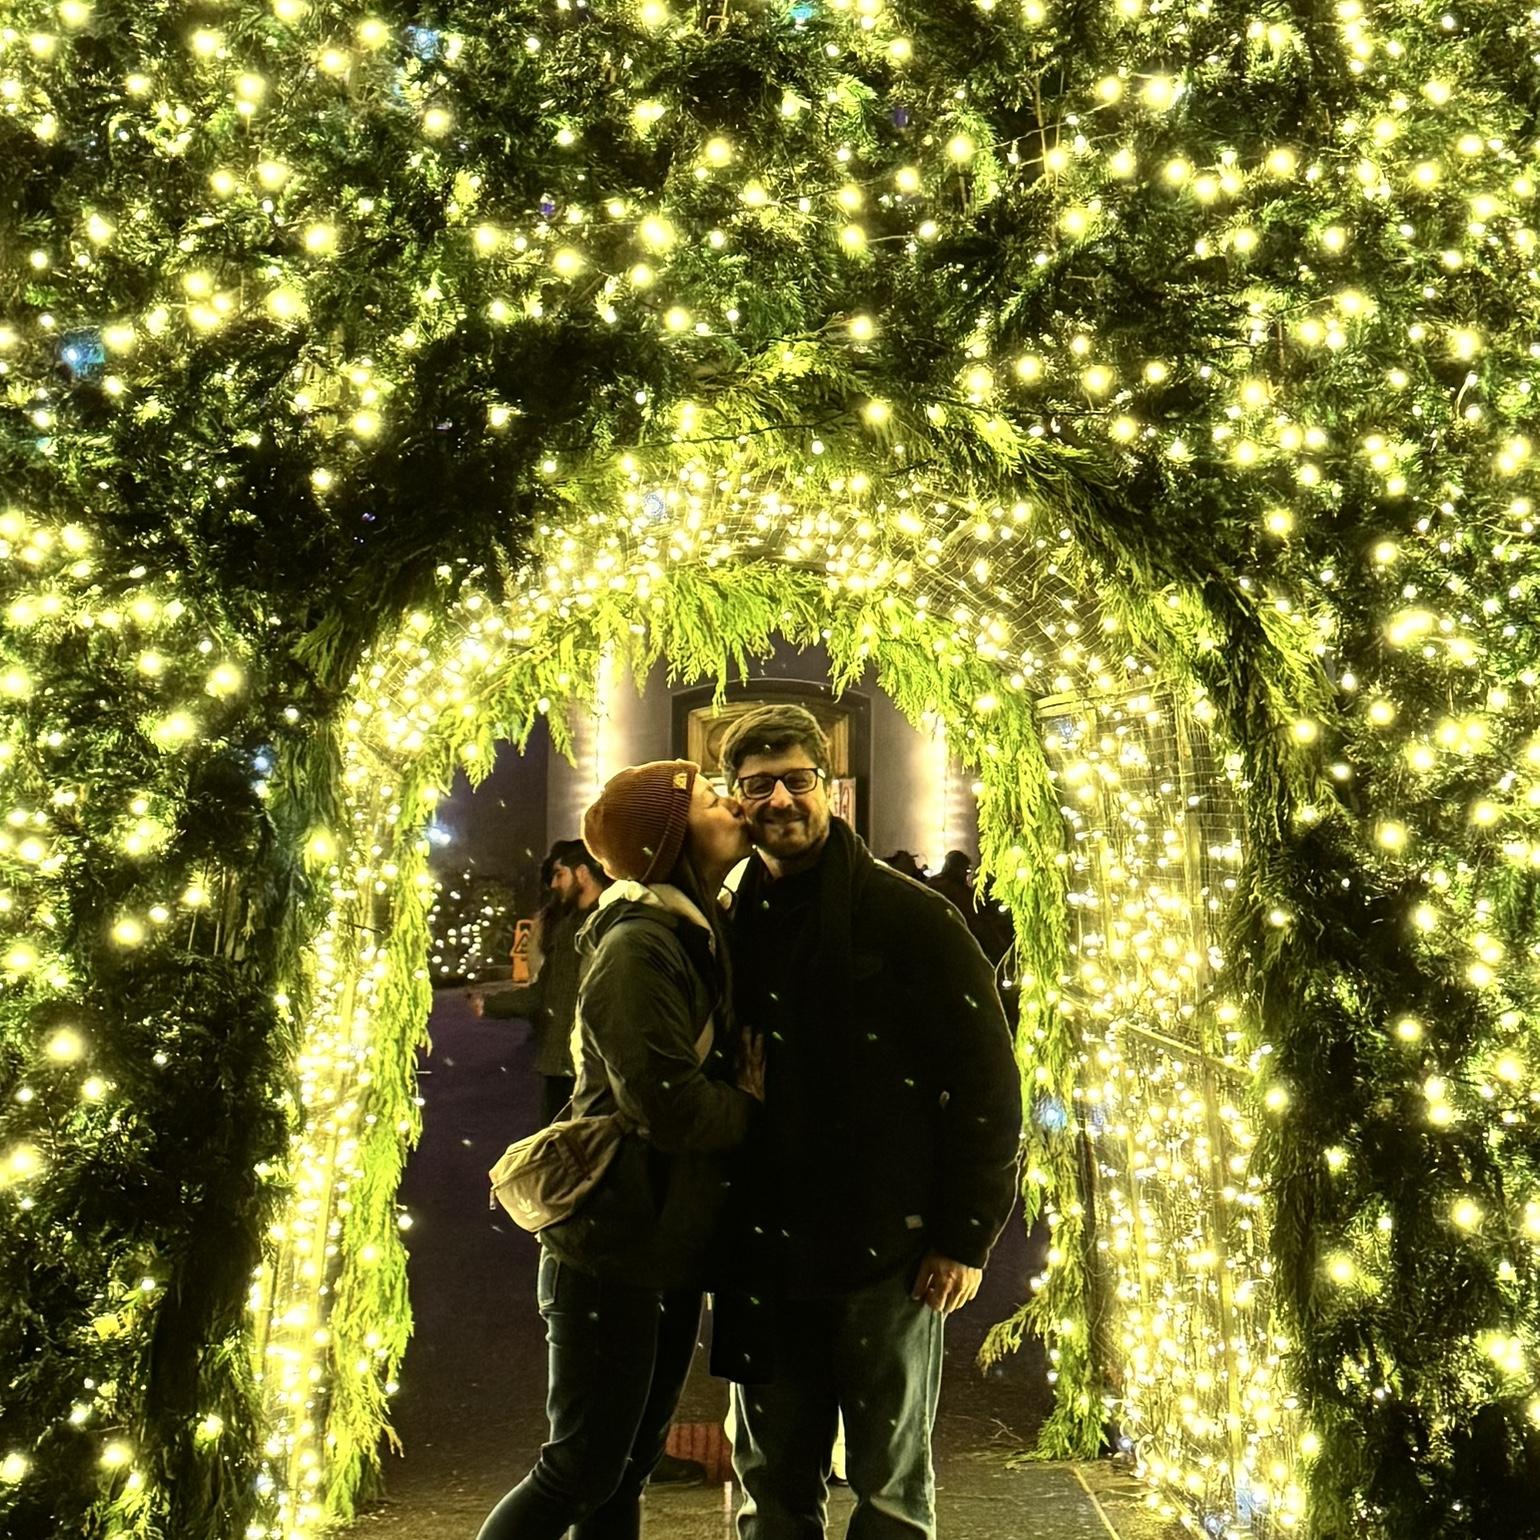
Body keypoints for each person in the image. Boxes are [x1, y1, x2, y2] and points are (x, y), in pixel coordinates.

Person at [715, 704, 1022, 1540]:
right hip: (764, 1249)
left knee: (889, 1489)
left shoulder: (909, 915)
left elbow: (988, 1080)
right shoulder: (728, 916)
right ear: (735, 797)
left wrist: (965, 1236)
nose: (781, 800)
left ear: (831, 789)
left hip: (888, 1249)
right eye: (758, 785)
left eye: (797, 780)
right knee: (772, 1488)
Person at [475, 760, 766, 1540]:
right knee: (578, 1470)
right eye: (710, 799)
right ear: (669, 842)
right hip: (612, 1245)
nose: (733, 804)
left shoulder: (691, 931)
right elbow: (669, 1108)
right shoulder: (640, 948)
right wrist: (749, 1103)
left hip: (656, 1242)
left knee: (623, 1468)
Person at [471, 839, 610, 1126]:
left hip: (578, 1066)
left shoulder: (591, 927)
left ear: (582, 873)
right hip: (574, 1063)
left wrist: (491, 1004)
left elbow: (549, 995)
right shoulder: (576, 923)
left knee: (570, 1142)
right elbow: (547, 992)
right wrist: (493, 1004)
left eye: (560, 874)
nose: (555, 884)